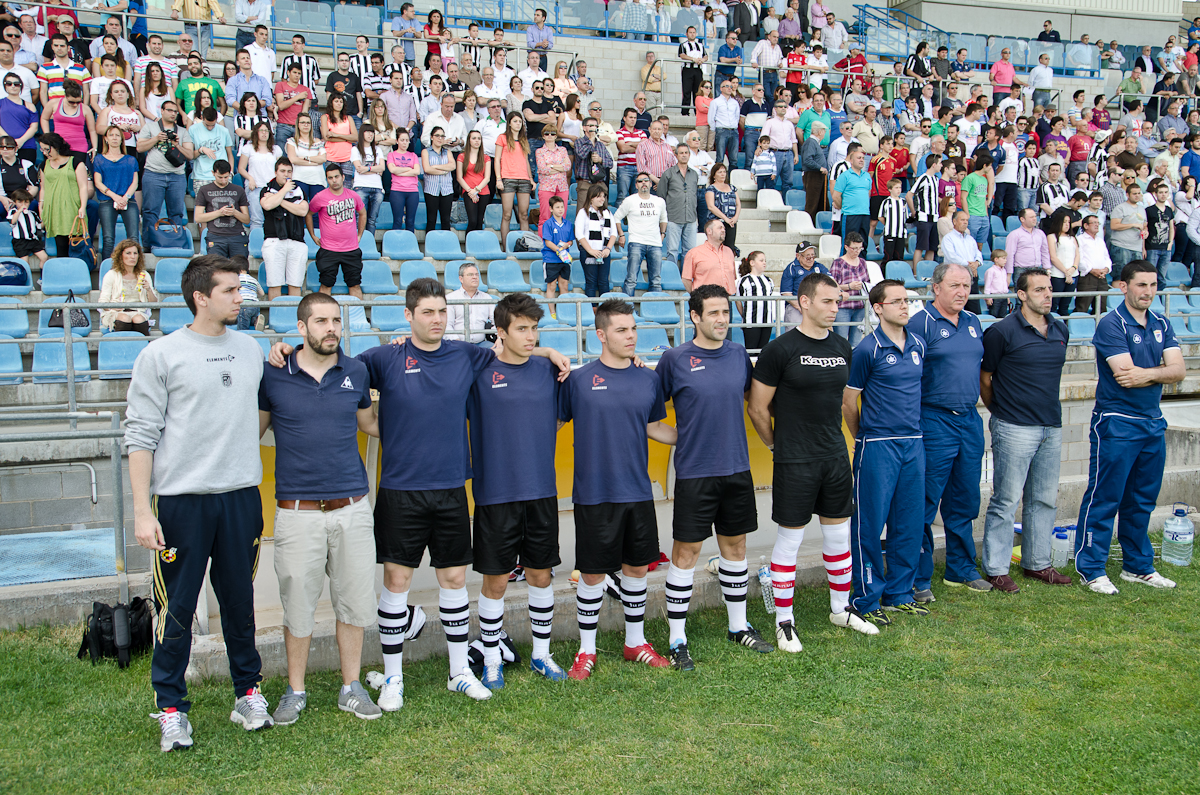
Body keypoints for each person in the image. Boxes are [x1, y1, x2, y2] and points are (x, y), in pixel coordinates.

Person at [126, 255, 269, 752]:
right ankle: (170, 708)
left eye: (240, 289)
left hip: (240, 500)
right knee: (177, 608)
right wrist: (144, 511)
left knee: (239, 603)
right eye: (230, 290)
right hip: (182, 504)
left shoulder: (252, 349)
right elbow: (140, 436)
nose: (240, 298)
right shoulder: (162, 355)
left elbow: (260, 412)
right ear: (200, 297)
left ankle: (247, 693)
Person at [256, 291, 383, 724]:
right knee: (298, 606)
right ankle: (295, 690)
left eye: (336, 321)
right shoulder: (274, 374)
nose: (331, 329)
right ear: (302, 327)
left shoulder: (356, 370)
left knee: (353, 602)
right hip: (297, 512)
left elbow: (368, 423)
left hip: (351, 506)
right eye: (322, 321)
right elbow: (251, 433)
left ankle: (351, 686)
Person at [749, 272, 878, 648]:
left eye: (837, 301)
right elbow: (758, 409)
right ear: (804, 302)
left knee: (838, 536)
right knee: (790, 540)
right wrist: (779, 446)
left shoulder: (842, 347)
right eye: (827, 301)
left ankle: (841, 608)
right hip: (795, 460)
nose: (835, 308)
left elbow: (844, 400)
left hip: (835, 456)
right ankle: (784, 621)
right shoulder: (780, 349)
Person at [559, 298, 678, 680]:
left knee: (637, 568)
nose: (631, 336)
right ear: (601, 335)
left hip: (637, 492)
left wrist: (694, 438)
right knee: (592, 574)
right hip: (594, 493)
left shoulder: (648, 378)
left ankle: (635, 642)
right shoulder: (578, 380)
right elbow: (552, 425)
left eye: (633, 329)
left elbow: (654, 426)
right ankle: (586, 650)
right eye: (622, 330)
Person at [657, 284, 773, 668]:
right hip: (695, 473)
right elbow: (646, 413)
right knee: (686, 552)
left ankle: (738, 626)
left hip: (737, 469)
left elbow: (756, 400)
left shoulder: (739, 354)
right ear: (695, 316)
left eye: (726, 312)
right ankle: (677, 639)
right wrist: (681, 437)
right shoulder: (674, 359)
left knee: (735, 548)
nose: (722, 319)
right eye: (713, 313)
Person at [465, 293, 567, 687]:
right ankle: (491, 657)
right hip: (495, 494)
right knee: (496, 581)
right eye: (521, 329)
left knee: (542, 576)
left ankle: (542, 654)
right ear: (501, 332)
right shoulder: (479, 371)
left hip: (540, 491)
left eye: (535, 329)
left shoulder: (548, 371)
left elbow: (558, 418)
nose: (530, 336)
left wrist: (547, 350)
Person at [1074, 260, 1185, 595]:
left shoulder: (1162, 322)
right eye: (1141, 285)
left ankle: (1138, 567)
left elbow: (1178, 370)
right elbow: (1124, 374)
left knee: (1142, 499)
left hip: (1152, 422)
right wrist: (1158, 370)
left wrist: (1146, 374)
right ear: (1123, 287)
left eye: (1153, 285)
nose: (1148, 292)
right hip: (1117, 422)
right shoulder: (1112, 324)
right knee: (1105, 497)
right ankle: (1091, 567)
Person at [976, 268, 1072, 592]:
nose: (1047, 294)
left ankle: (1037, 563)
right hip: (1014, 427)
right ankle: (996, 568)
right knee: (1006, 500)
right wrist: (1000, 413)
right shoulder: (1001, 332)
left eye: (1049, 289)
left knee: (1044, 499)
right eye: (1040, 289)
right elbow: (985, 378)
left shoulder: (1061, 329)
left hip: (1051, 426)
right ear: (1021, 294)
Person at [842, 279, 929, 626]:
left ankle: (900, 593)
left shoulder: (919, 344)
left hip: (914, 442)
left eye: (906, 301)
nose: (905, 306)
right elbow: (849, 401)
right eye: (896, 302)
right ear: (878, 308)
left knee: (908, 522)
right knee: (869, 524)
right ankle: (865, 598)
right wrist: (862, 435)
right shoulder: (868, 348)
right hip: (877, 445)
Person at [905, 261, 993, 600]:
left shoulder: (972, 322)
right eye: (955, 286)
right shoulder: (920, 323)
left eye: (967, 286)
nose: (962, 292)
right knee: (924, 500)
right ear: (936, 287)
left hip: (969, 420)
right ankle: (917, 575)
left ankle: (961, 568)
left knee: (965, 498)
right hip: (933, 419)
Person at [308, 162, 366, 299]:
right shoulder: (320, 197)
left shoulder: (353, 195)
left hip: (351, 249)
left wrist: (359, 235)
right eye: (330, 178)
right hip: (329, 249)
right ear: (326, 179)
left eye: (336, 177)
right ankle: (322, 317)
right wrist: (312, 235)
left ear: (343, 177)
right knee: (326, 285)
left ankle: (359, 317)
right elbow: (308, 213)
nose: (334, 180)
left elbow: (362, 213)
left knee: (355, 285)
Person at [613, 171, 668, 295]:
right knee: (631, 279)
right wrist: (621, 234)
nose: (643, 183)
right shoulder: (630, 200)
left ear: (650, 183)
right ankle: (627, 309)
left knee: (656, 281)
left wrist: (662, 234)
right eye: (640, 181)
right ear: (636, 185)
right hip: (636, 242)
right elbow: (616, 217)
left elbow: (664, 219)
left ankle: (654, 309)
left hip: (655, 243)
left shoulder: (659, 201)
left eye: (646, 180)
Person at [92, 124, 140, 261]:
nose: (114, 138)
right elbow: (98, 182)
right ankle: (107, 272)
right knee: (108, 239)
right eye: (111, 135)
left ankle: (136, 270)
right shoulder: (99, 159)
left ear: (121, 140)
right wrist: (116, 197)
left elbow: (135, 182)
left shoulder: (130, 159)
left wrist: (124, 198)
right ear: (106, 139)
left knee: (134, 238)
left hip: (128, 200)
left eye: (117, 135)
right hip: (107, 200)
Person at [38, 132, 88, 260]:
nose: (44, 152)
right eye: (42, 149)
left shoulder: (76, 162)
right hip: (54, 208)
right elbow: (43, 187)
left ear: (56, 146)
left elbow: (83, 187)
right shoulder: (44, 165)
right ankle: (64, 276)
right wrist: (41, 204)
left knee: (76, 245)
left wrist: (82, 206)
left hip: (72, 207)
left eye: (46, 149)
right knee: (60, 246)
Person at [194, 158, 249, 259]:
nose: (223, 181)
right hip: (215, 236)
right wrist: (219, 213)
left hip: (237, 235)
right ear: (213, 173)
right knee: (217, 270)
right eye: (220, 177)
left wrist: (234, 212)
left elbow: (246, 219)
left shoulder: (239, 190)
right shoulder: (204, 190)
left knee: (240, 270)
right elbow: (198, 217)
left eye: (226, 177)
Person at [575, 182, 621, 299]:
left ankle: (605, 310)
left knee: (604, 282)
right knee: (591, 282)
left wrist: (608, 249)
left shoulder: (608, 213)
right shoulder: (583, 212)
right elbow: (579, 234)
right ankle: (591, 310)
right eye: (598, 196)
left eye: (603, 196)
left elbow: (613, 233)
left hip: (604, 253)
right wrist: (590, 250)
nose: (602, 199)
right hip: (589, 252)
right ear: (591, 198)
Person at [657, 142, 698, 265]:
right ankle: (672, 278)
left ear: (689, 155)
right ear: (676, 155)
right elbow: (661, 197)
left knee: (690, 252)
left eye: (686, 153)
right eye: (681, 153)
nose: (684, 155)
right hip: (673, 218)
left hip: (690, 218)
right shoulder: (668, 174)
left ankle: (685, 279)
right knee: (672, 251)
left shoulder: (694, 174)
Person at [495, 112, 532, 247]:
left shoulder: (523, 139)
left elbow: (526, 161)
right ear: (509, 123)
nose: (518, 124)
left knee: (523, 215)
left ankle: (524, 246)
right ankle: (506, 247)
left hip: (523, 179)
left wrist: (531, 179)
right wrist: (498, 179)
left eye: (520, 121)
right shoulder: (502, 138)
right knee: (507, 214)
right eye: (515, 121)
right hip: (508, 178)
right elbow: (497, 160)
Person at [237, 121, 282, 231]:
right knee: (256, 220)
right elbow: (241, 168)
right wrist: (250, 178)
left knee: (273, 219)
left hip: (272, 189)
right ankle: (255, 246)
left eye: (266, 131)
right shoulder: (248, 148)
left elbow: (280, 169)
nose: (264, 133)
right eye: (261, 130)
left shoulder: (276, 149)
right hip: (255, 187)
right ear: (256, 133)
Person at [829, 231, 870, 347]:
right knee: (841, 341)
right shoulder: (838, 263)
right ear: (846, 247)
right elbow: (832, 284)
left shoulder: (862, 262)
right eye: (854, 248)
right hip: (843, 306)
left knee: (856, 343)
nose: (857, 251)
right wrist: (849, 287)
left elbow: (867, 282)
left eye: (859, 248)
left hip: (860, 306)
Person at [446, 262, 495, 343]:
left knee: (499, 352)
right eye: (470, 275)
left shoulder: (487, 298)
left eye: (476, 274)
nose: (474, 277)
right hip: (458, 343)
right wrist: (457, 342)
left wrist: (498, 338)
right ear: (461, 279)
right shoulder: (450, 298)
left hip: (481, 343)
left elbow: (496, 322)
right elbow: (447, 325)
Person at [188, 106, 233, 191]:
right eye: (207, 124)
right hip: (201, 176)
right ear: (202, 118)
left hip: (222, 175)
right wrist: (201, 150)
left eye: (213, 125)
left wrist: (230, 173)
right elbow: (190, 155)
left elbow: (229, 154)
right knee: (202, 204)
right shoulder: (193, 129)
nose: (210, 128)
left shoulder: (224, 131)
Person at [385, 128, 421, 234]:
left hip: (412, 191)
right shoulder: (391, 155)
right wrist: (409, 169)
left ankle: (410, 247)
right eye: (402, 140)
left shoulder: (413, 155)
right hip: (397, 190)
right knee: (397, 221)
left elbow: (417, 171)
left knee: (410, 222)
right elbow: (392, 169)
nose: (405, 142)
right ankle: (395, 248)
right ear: (397, 141)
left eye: (406, 140)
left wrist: (399, 171)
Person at [833, 144, 871, 243]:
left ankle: (862, 259)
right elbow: (836, 195)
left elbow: (868, 193)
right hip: (850, 214)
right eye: (859, 158)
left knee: (863, 244)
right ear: (851, 160)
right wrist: (844, 206)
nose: (862, 160)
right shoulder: (844, 176)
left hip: (865, 214)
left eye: (863, 158)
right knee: (849, 244)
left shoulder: (867, 176)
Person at [285, 113, 326, 202]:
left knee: (316, 210)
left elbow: (323, 159)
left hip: (317, 179)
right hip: (300, 178)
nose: (306, 125)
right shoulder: (292, 141)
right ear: (298, 125)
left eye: (308, 123)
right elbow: (293, 159)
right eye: (303, 122)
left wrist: (305, 158)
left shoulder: (317, 141)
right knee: (300, 208)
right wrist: (315, 161)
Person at [540, 195, 573, 304]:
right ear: (551, 209)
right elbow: (548, 242)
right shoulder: (548, 224)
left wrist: (566, 245)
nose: (560, 210)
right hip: (551, 259)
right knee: (552, 285)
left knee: (564, 285)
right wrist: (559, 250)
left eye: (562, 207)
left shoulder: (568, 224)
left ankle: (564, 311)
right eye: (557, 207)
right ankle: (552, 313)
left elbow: (571, 241)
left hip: (564, 260)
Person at [705, 161, 741, 254]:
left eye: (724, 172)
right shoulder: (711, 188)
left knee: (729, 248)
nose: (723, 174)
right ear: (714, 175)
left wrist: (735, 217)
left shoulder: (732, 187)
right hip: (717, 222)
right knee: (716, 246)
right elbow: (711, 206)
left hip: (731, 222)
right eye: (720, 172)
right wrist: (725, 218)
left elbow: (738, 204)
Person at [983, 252, 1011, 318]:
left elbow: (1005, 284)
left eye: (1006, 258)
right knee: (994, 315)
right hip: (995, 297)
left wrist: (1007, 296)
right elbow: (987, 285)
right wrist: (988, 297)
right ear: (996, 259)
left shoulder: (1004, 271)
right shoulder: (991, 271)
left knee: (1003, 316)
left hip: (1003, 296)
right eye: (1003, 258)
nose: (1005, 260)